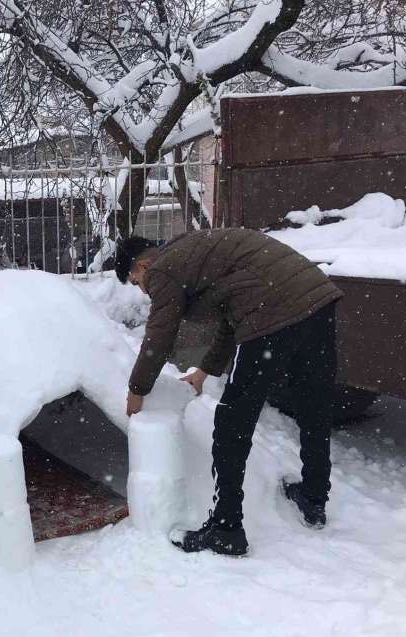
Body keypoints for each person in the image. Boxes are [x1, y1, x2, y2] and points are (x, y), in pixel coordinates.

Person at [116, 229, 343, 557]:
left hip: (273, 312)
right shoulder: (195, 253)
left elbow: (160, 333)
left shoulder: (162, 268)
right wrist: (205, 370)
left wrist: (137, 388)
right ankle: (313, 498)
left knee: (231, 423)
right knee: (314, 405)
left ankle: (226, 529)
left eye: (136, 281)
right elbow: (230, 317)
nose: (142, 288)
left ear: (143, 264)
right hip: (316, 300)